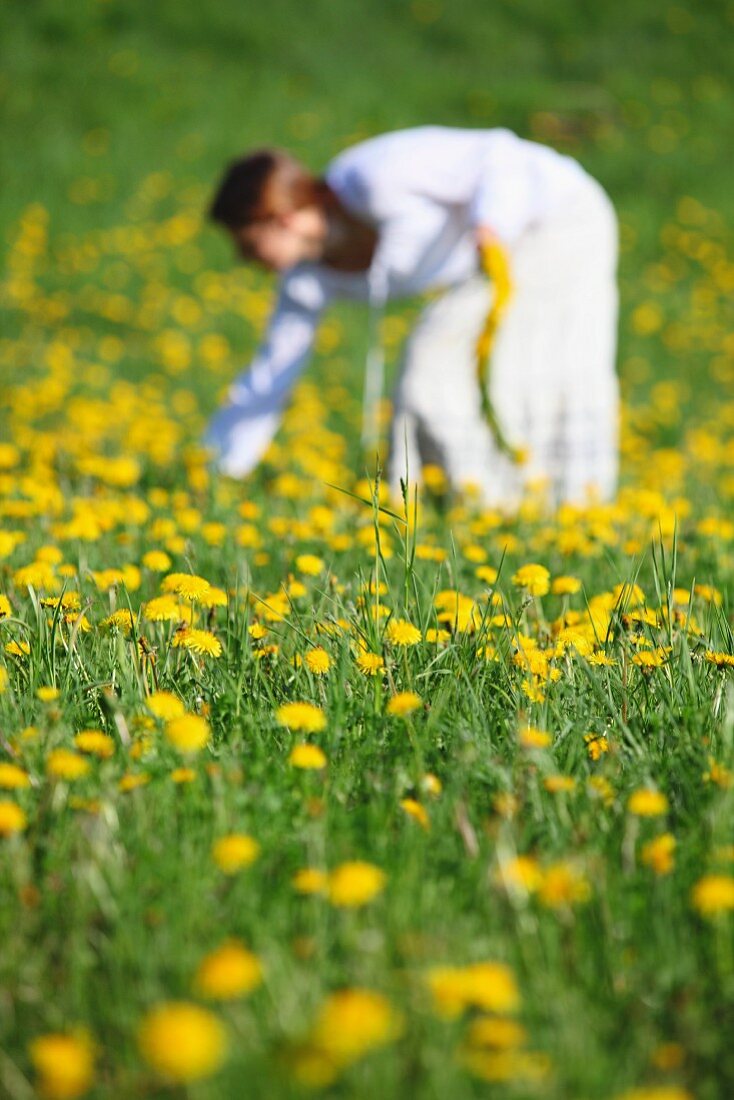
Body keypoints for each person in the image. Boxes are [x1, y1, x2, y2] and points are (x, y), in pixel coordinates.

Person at [204, 124, 619, 509]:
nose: (246, 259)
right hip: (496, 255)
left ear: (282, 218)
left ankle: (519, 499)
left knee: (475, 362)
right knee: (441, 366)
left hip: (555, 218)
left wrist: (492, 223)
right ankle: (481, 500)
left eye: (248, 243)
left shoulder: (374, 178)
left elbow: (501, 154)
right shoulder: (305, 279)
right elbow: (272, 372)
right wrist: (220, 466)